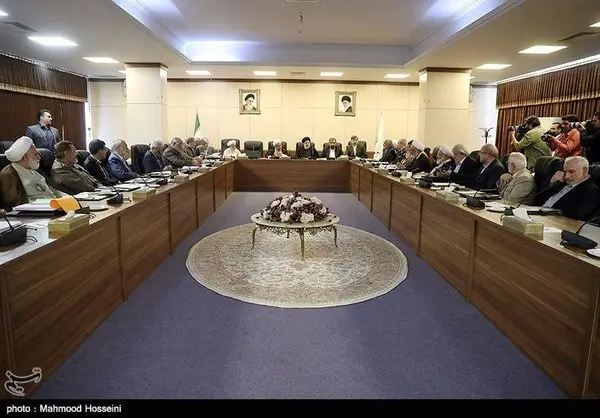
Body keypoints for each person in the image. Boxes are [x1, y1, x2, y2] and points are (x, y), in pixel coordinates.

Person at [0, 136, 63, 209]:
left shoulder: (35, 170)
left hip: (54, 206)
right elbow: (16, 203)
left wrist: (68, 198)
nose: (39, 157)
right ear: (25, 157)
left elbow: (52, 190)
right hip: (38, 211)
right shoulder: (8, 174)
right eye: (35, 154)